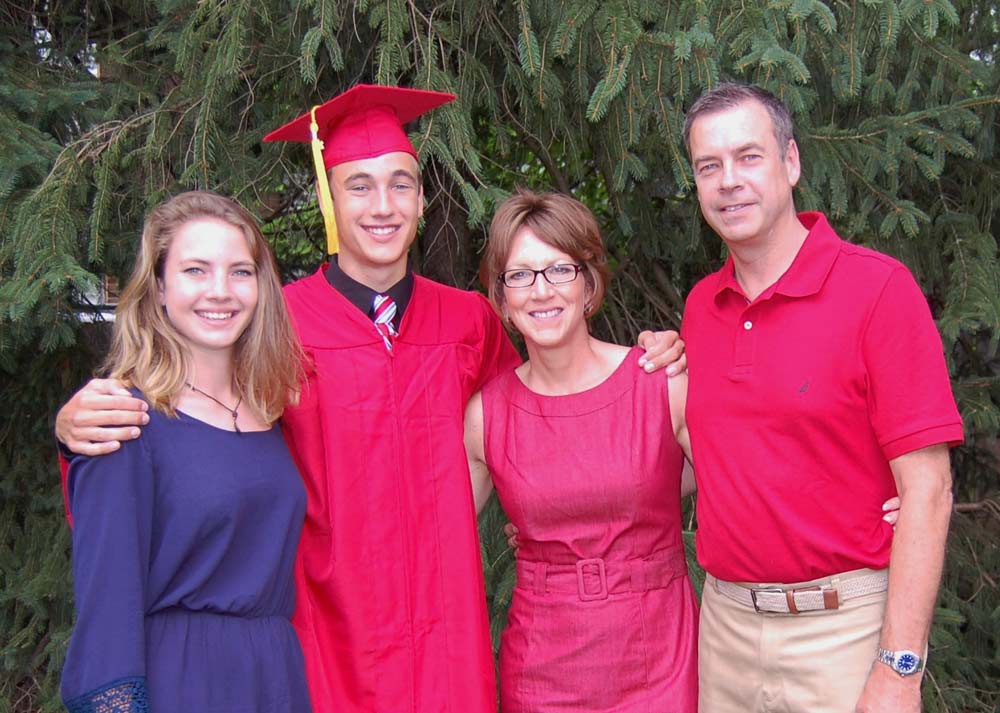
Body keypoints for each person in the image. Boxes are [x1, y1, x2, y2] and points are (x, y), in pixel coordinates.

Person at [54, 85, 686, 713]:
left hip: (447, 638)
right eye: (358, 185)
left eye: (401, 183)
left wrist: (646, 368)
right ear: (330, 200)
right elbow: (191, 427)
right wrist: (77, 424)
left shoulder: (468, 322)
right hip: (326, 636)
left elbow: (542, 417)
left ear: (421, 201)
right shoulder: (275, 323)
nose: (382, 206)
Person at [680, 83, 963, 713]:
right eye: (709, 166)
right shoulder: (702, 308)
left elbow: (930, 491)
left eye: (749, 157)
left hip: (845, 634)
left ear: (791, 162)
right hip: (724, 631)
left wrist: (900, 668)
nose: (729, 181)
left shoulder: (878, 290)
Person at [60, 191, 311, 712]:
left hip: (273, 678)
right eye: (196, 270)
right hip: (184, 682)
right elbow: (107, 606)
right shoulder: (126, 421)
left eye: (240, 272)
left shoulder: (272, 411)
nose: (220, 291)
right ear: (158, 286)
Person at [465, 189, 699, 712]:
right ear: (501, 297)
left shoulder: (659, 383)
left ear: (589, 282)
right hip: (543, 668)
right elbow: (430, 540)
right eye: (520, 275)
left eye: (559, 270)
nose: (541, 291)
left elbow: (748, 482)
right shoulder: (486, 416)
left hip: (658, 658)